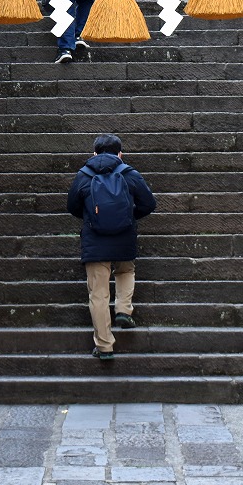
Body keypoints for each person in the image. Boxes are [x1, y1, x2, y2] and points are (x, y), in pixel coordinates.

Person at [66, 133, 157, 360]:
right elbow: (149, 203)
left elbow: (72, 206)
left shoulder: (84, 175)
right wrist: (128, 216)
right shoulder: (129, 173)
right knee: (125, 270)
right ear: (120, 154)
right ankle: (124, 309)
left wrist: (92, 218)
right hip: (124, 236)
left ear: (94, 153)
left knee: (98, 293)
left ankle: (105, 346)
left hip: (94, 240)